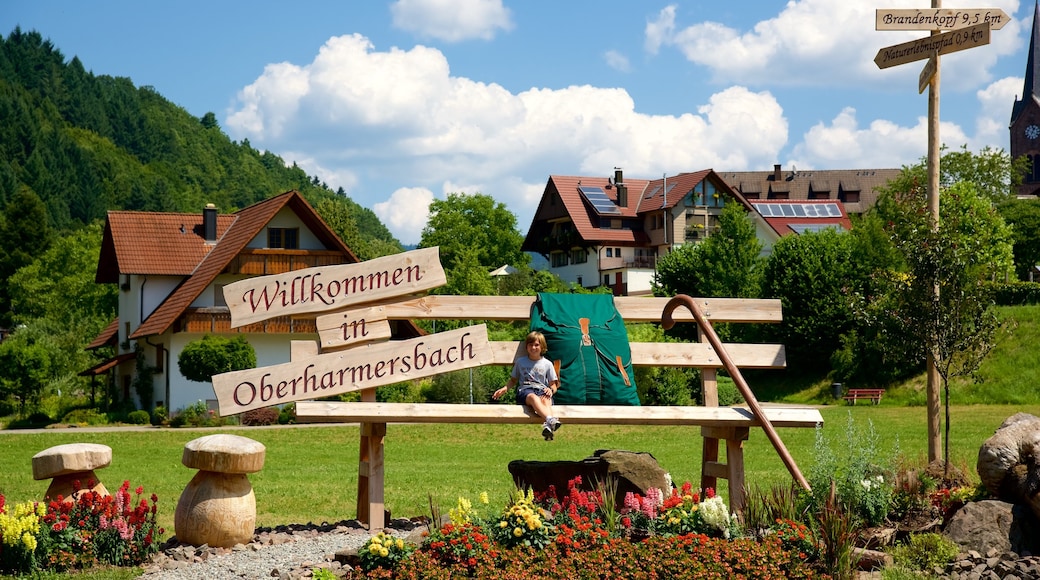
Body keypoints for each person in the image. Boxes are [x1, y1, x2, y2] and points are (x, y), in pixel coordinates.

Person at [493, 331, 562, 440]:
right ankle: (550, 419)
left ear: (542, 346)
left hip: (542, 390)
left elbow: (553, 385)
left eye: (536, 345)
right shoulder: (521, 362)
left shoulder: (547, 364)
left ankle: (548, 427)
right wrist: (505, 389)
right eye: (530, 345)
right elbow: (513, 380)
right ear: (526, 346)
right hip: (525, 391)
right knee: (533, 397)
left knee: (546, 399)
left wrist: (551, 390)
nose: (533, 347)